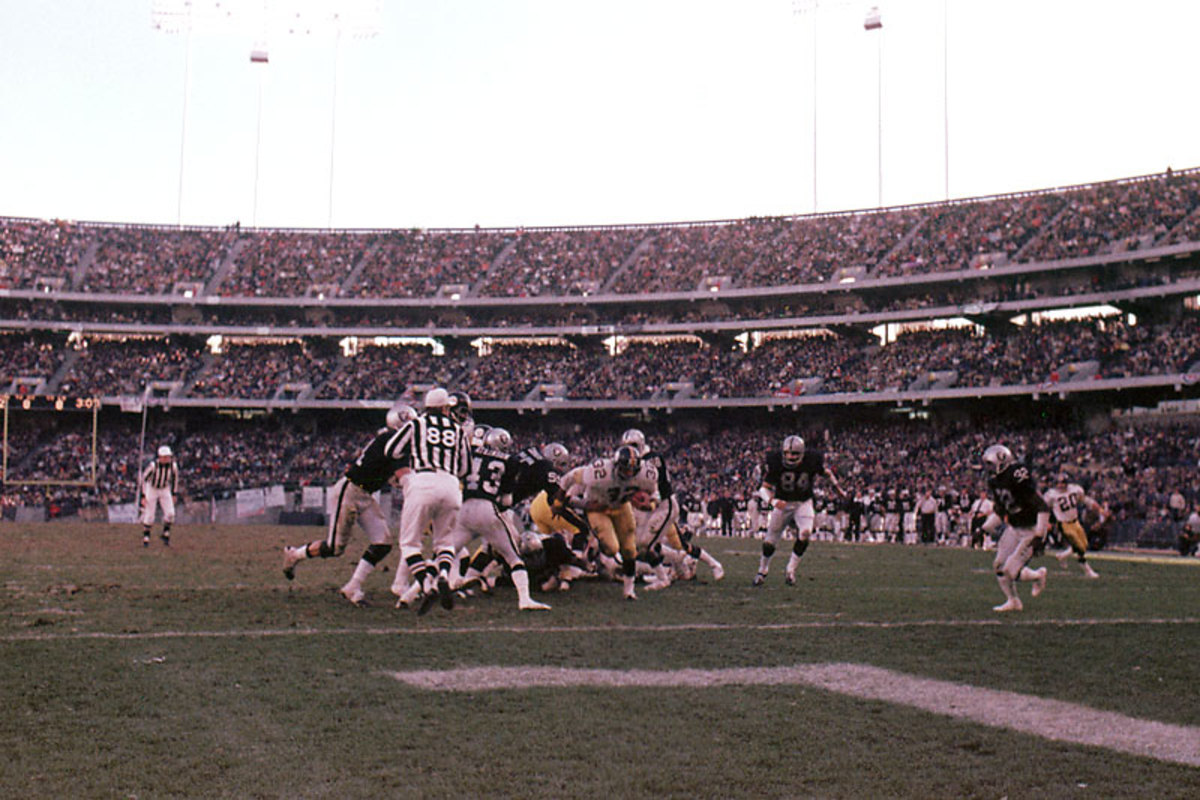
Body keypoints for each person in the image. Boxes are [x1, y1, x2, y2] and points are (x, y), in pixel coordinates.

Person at [280, 402, 416, 605]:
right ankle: (294, 554)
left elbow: (388, 472)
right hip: (350, 491)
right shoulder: (391, 440)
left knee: (383, 543)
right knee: (335, 548)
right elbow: (399, 471)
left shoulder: (389, 439)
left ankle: (353, 586)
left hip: (365, 494)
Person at [447, 427, 551, 611]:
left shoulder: (471, 452)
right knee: (514, 558)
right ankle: (525, 599)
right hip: (487, 509)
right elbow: (506, 500)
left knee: (445, 553)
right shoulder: (509, 461)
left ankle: (416, 591)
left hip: (464, 508)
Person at [389, 388, 473, 612]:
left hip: (423, 481)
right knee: (445, 543)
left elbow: (392, 450)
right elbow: (466, 468)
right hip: (451, 485)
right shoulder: (458, 429)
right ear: (445, 407)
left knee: (409, 544)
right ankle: (443, 574)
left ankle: (426, 584)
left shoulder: (417, 423)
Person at [555, 444, 659, 600]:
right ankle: (597, 551)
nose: (629, 474)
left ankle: (629, 590)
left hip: (621, 507)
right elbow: (569, 477)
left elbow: (655, 493)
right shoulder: (600, 472)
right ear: (616, 465)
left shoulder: (646, 474)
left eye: (632, 470)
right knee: (611, 548)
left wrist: (651, 504)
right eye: (625, 469)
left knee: (629, 549)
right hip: (598, 509)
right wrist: (559, 500)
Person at [621, 428, 723, 584]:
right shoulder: (634, 461)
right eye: (627, 446)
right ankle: (676, 568)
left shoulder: (652, 459)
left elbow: (655, 488)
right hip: (650, 508)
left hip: (663, 506)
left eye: (633, 445)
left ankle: (711, 564)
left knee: (667, 544)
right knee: (647, 543)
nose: (631, 450)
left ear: (641, 444)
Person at [752, 434, 846, 587]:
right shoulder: (776, 462)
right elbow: (763, 489)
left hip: (803, 502)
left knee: (805, 533)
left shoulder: (811, 460)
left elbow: (827, 473)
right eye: (787, 453)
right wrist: (773, 501)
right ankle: (762, 570)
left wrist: (837, 488)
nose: (790, 457)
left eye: (794, 453)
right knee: (769, 542)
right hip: (783, 503)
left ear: (802, 453)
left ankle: (790, 570)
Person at [979, 444, 1050, 613]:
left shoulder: (1016, 475)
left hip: (1030, 529)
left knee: (1011, 571)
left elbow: (1042, 506)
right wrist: (985, 528)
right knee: (999, 565)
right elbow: (1001, 510)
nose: (988, 468)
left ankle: (1038, 575)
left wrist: (1040, 535)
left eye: (990, 464)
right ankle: (1013, 601)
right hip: (1014, 527)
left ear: (1002, 461)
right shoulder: (995, 481)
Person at [1043, 471, 1105, 578]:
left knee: (1084, 545)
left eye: (1062, 483)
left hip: (1075, 521)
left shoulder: (1075, 489)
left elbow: (1086, 500)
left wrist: (1099, 509)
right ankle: (1087, 570)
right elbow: (1044, 509)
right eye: (1058, 483)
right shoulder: (1051, 495)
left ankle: (1062, 556)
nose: (1060, 485)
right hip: (1063, 524)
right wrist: (1046, 522)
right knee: (1079, 546)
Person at [140, 445, 179, 547]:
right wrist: (143, 495)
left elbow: (175, 479)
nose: (167, 459)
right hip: (152, 488)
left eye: (168, 457)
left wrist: (174, 493)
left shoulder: (173, 466)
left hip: (164, 488)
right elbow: (144, 479)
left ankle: (166, 533)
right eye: (165, 457)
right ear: (160, 457)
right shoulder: (153, 466)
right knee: (149, 515)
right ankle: (146, 538)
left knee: (170, 513)